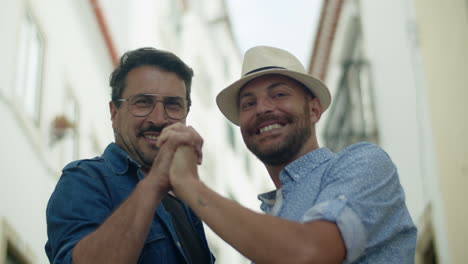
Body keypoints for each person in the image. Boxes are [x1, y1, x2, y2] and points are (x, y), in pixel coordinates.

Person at [162, 46, 417, 263]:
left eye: (279, 94)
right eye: (249, 103)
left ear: (314, 109)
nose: (262, 108)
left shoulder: (365, 162)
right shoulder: (270, 221)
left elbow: (310, 252)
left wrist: (189, 184)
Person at [45, 47, 215, 264]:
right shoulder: (85, 179)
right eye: (143, 102)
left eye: (173, 105)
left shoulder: (186, 202)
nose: (159, 118)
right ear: (114, 113)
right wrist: (154, 184)